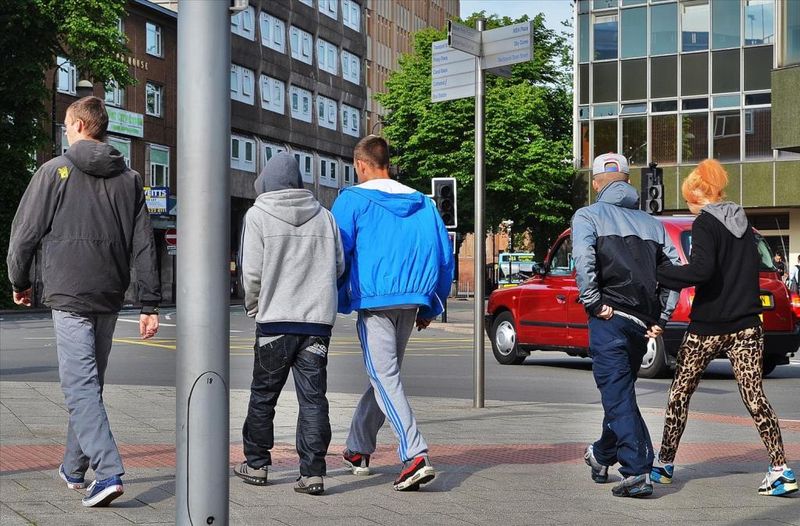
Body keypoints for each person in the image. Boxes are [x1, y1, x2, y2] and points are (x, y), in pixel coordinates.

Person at [7, 96, 160, 507]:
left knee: (79, 384)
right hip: (109, 294)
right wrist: (148, 303)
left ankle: (107, 471)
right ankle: (73, 468)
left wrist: (19, 281)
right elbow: (144, 245)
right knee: (88, 383)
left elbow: (24, 234)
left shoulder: (54, 171)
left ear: (75, 125)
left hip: (69, 293)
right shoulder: (129, 178)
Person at [651, 159, 797, 497]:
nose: (688, 203)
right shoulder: (743, 222)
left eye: (689, 198)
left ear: (700, 195)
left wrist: (660, 273)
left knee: (679, 395)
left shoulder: (704, 223)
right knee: (754, 395)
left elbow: (701, 272)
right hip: (747, 326)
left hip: (708, 327)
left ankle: (664, 467)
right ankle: (780, 469)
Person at [333, 135, 454, 491]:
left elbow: (338, 253)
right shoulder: (424, 204)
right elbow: (444, 257)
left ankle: (415, 454)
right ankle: (358, 447)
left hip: (375, 300)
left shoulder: (351, 200)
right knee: (385, 376)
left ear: (361, 165)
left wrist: (338, 298)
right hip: (413, 297)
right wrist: (433, 302)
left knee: (384, 376)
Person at [233, 153, 344, 496]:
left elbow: (251, 272)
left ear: (265, 181)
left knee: (264, 395)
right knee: (313, 399)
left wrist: (255, 307)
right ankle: (312, 473)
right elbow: (338, 266)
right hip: (316, 325)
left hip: (275, 322)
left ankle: (256, 464)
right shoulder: (325, 217)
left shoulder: (258, 215)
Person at [571, 153, 680, 498]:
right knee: (620, 393)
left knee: (617, 395)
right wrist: (662, 317)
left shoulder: (588, 215)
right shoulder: (653, 224)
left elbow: (584, 258)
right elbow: (675, 271)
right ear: (629, 182)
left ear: (596, 182)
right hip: (639, 325)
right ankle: (602, 454)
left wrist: (592, 301)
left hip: (608, 318)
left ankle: (636, 471)